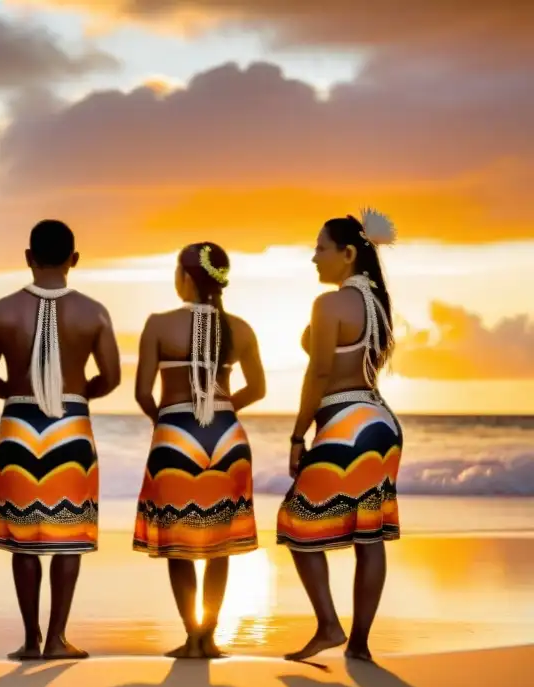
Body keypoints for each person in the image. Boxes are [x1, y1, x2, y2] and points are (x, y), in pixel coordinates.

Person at [0, 219, 121, 660]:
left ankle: (31, 639)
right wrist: (73, 395)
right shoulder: (94, 312)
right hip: (70, 425)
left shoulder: (0, 311)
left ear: (28, 258)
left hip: (18, 425)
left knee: (23, 539)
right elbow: (111, 377)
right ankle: (58, 638)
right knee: (68, 535)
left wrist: (20, 395)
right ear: (74, 259)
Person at [278, 208, 403, 662]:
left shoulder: (329, 305)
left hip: (345, 422)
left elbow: (321, 371)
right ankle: (361, 645)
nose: (314, 258)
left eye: (320, 248)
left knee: (295, 522)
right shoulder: (377, 305)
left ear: (347, 254)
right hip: (381, 423)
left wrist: (297, 436)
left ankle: (330, 626)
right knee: (368, 535)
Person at [132, 242, 265, 658]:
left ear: (186, 277)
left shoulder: (158, 325)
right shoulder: (239, 328)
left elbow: (141, 392)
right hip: (227, 437)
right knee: (220, 543)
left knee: (179, 542)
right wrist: (220, 409)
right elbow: (258, 389)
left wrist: (168, 420)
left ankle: (191, 636)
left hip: (176, 435)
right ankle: (210, 637)